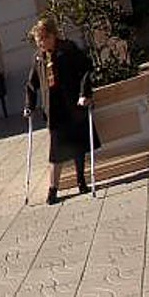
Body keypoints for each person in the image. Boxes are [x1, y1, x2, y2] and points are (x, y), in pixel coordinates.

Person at [23, 17, 99, 204]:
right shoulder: (39, 58)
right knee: (56, 151)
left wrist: (85, 93)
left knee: (78, 146)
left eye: (43, 38)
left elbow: (86, 71)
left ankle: (81, 181)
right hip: (54, 110)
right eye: (38, 40)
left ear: (53, 35)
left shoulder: (68, 49)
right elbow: (32, 84)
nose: (41, 42)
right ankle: (53, 190)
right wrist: (29, 105)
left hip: (73, 104)